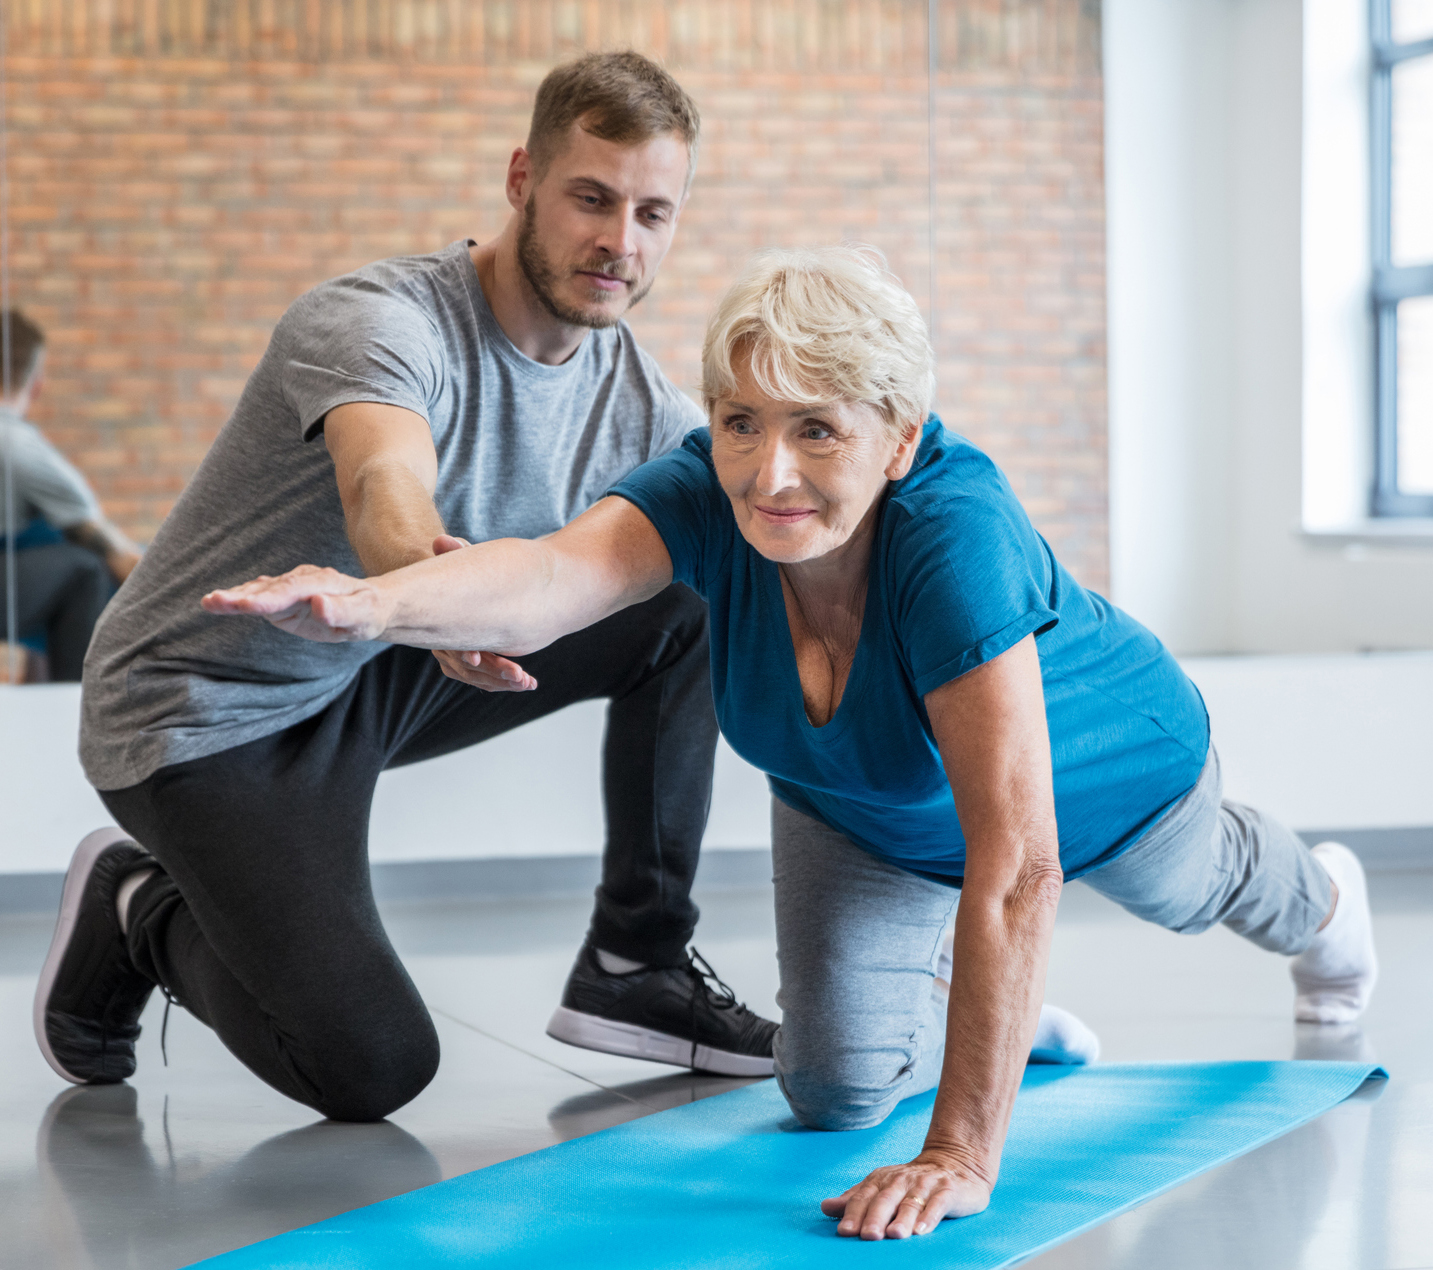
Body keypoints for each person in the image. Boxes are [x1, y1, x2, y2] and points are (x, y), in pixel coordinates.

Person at [198, 245, 1378, 1238]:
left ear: (897, 437)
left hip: (1103, 781)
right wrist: (372, 603)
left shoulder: (953, 539)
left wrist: (963, 1150)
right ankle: (1004, 1016)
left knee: (1191, 887)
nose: (769, 474)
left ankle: (1324, 900)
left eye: (817, 430)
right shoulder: (705, 494)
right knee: (828, 1093)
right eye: (738, 423)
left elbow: (1017, 866)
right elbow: (551, 578)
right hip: (856, 802)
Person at [34, 52, 777, 1124]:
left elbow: (766, 522)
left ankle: (636, 961)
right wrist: (405, 594)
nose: (620, 242)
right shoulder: (381, 321)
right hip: (201, 711)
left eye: (652, 212)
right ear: (521, 178)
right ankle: (138, 901)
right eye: (590, 199)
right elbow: (386, 482)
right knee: (372, 1068)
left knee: (692, 595)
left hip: (365, 674)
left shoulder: (637, 403)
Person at [1, 309, 141, 681]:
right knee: (85, 570)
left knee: (48, 554)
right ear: (36, 382)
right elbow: (113, 551)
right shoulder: (16, 445)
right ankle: (73, 706)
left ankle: (38, 693)